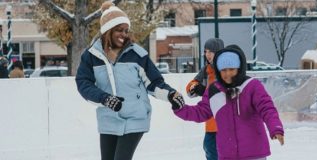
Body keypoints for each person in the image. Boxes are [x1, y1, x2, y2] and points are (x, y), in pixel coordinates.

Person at [75, 1, 184, 160]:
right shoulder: (91, 56)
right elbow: (83, 83)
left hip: (135, 117)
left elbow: (154, 82)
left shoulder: (137, 55)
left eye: (126, 30)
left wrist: (171, 95)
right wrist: (104, 99)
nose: (124, 34)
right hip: (108, 118)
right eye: (119, 30)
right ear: (107, 31)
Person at [172, 45, 284, 160]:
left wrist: (275, 128)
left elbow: (267, 108)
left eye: (232, 69)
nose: (227, 74)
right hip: (227, 154)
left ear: (239, 69)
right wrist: (180, 108)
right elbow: (201, 112)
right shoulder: (213, 90)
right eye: (223, 70)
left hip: (254, 153)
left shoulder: (252, 86)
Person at [185, 38, 224, 160]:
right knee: (209, 148)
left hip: (226, 121)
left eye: (210, 51)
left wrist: (205, 91)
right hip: (211, 121)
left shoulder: (227, 69)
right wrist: (196, 88)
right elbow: (190, 87)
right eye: (206, 51)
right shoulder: (207, 70)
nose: (207, 54)